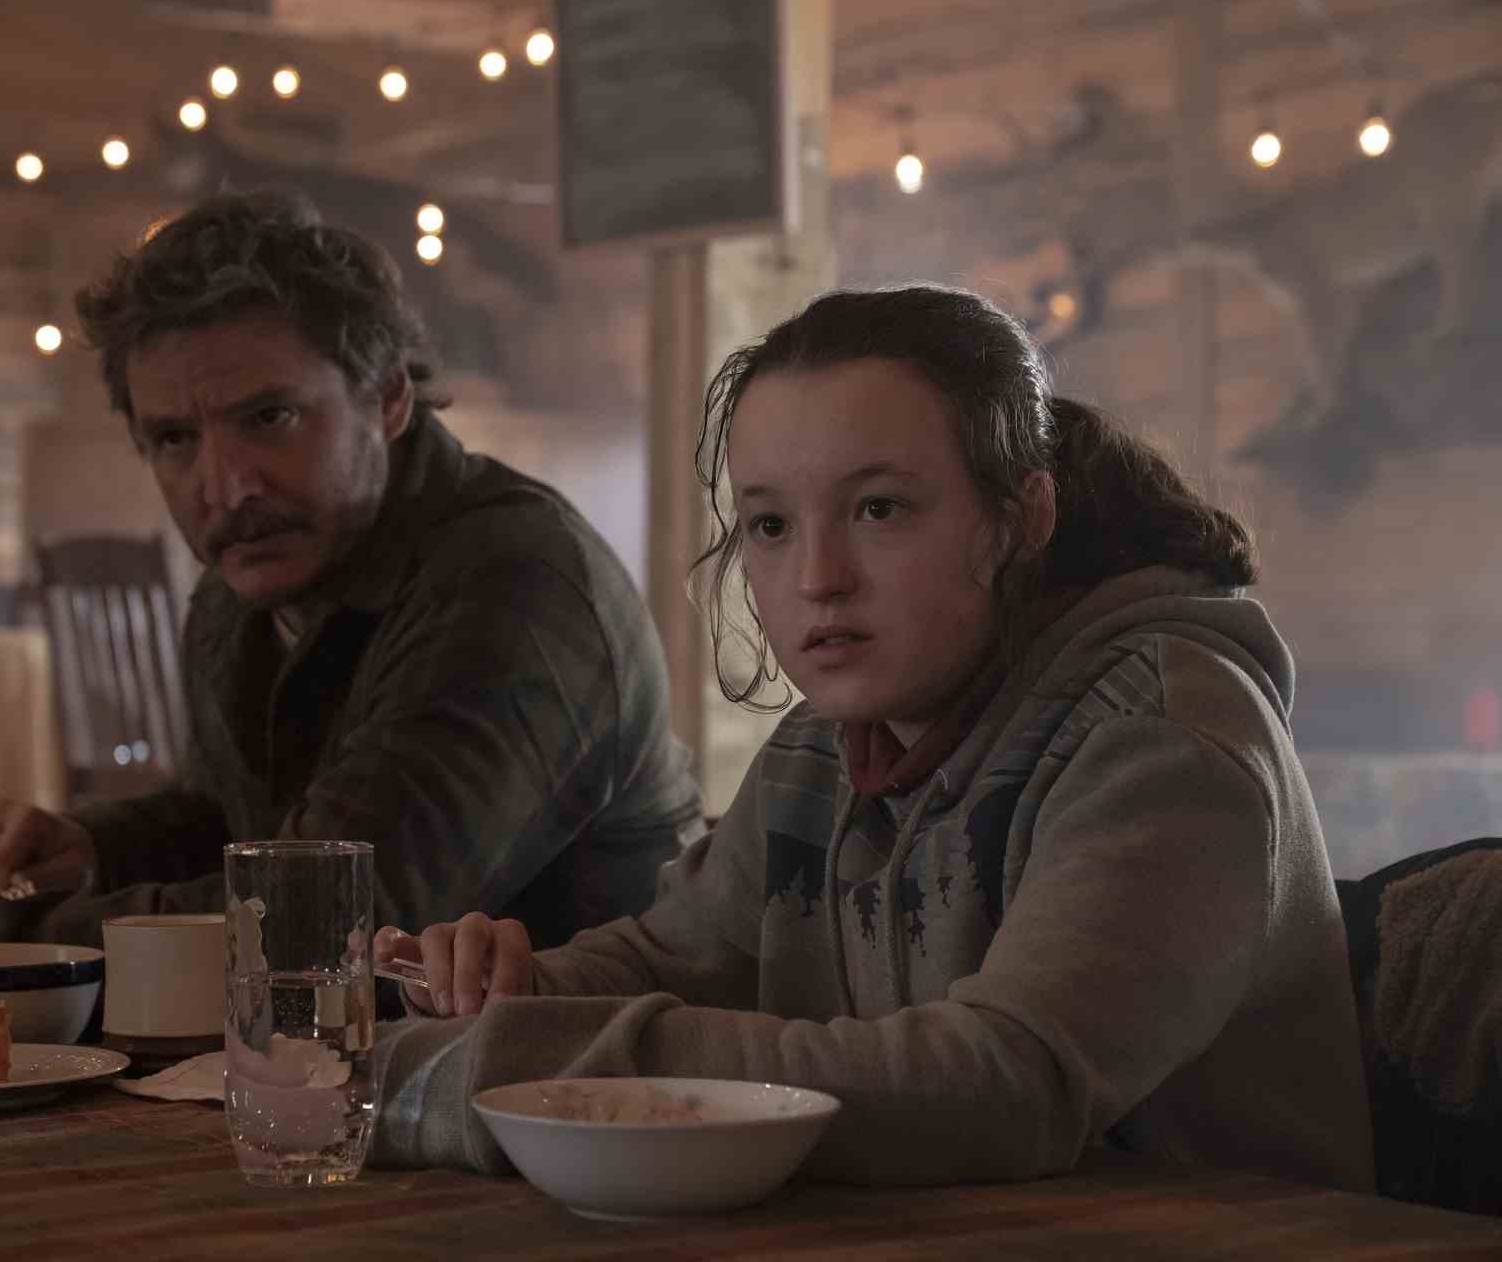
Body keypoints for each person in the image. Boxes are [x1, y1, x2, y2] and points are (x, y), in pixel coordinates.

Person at [369, 284, 1374, 1191]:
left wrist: (537, 1064)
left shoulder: (1162, 737)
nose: (817, 577)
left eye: (879, 507)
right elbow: (680, 953)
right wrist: (515, 982)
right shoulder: (825, 745)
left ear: (1022, 517)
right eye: (768, 525)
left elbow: (1003, 1085)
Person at [0, 190, 702, 1027]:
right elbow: (245, 813)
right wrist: (99, 842)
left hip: (560, 1130)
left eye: (269, 417)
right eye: (174, 439)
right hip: (341, 1097)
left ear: (388, 399)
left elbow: (319, 924)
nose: (224, 484)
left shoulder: (516, 585)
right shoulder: (251, 578)